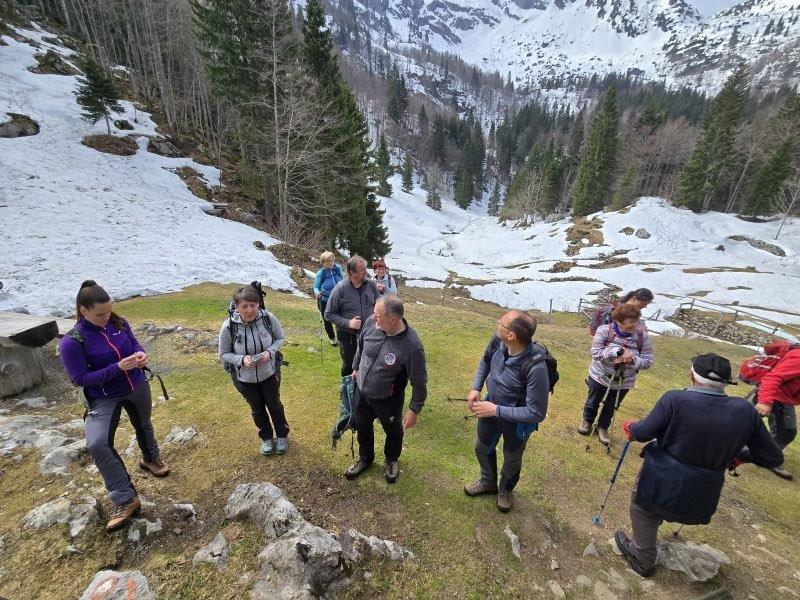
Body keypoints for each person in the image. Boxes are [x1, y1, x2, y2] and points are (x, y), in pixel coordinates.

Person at [615, 353, 783, 577]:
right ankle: (656, 530)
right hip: (703, 493)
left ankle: (643, 556)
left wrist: (631, 426)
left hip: (660, 481)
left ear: (692, 376)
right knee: (660, 506)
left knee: (642, 509)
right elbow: (773, 457)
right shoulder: (744, 410)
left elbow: (642, 433)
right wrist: (739, 456)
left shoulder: (675, 399)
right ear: (725, 383)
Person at [58, 280, 169, 532]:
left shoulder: (118, 323)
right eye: (100, 314)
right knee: (96, 443)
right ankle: (125, 497)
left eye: (109, 311)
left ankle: (151, 459)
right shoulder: (71, 342)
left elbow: (135, 345)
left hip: (137, 386)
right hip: (103, 397)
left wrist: (141, 356)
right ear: (83, 310)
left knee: (144, 424)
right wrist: (117, 368)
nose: (106, 317)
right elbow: (79, 379)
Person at [464, 310, 549, 512]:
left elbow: (536, 413)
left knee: (512, 459)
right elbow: (485, 361)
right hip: (490, 407)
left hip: (517, 422)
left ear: (512, 335)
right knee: (481, 447)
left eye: (501, 322)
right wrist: (476, 387)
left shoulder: (536, 368)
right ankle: (488, 483)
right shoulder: (498, 341)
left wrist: (496, 410)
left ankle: (505, 490)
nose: (497, 323)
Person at [344, 295, 427, 484]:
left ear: (394, 320)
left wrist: (414, 409)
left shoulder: (412, 346)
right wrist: (356, 367)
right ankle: (366, 458)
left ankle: (391, 460)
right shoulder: (372, 323)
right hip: (362, 392)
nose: (374, 318)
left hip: (388, 399)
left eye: (378, 316)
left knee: (393, 431)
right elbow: (361, 345)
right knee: (363, 426)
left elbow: (420, 382)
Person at [219, 285, 289, 456]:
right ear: (237, 307)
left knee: (274, 405)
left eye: (253, 305)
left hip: (269, 373)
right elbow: (224, 354)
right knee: (257, 409)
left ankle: (282, 435)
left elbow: (280, 339)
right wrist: (241, 359)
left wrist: (269, 352)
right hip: (244, 378)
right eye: (244, 306)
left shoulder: (268, 318)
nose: (249, 310)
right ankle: (266, 437)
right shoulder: (229, 326)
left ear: (258, 304)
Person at [579, 303, 653, 444]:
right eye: (630, 325)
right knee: (592, 401)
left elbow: (648, 362)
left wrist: (631, 359)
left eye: (636, 324)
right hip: (599, 375)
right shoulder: (604, 330)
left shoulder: (642, 337)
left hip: (624, 381)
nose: (634, 328)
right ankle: (587, 421)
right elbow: (595, 352)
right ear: (618, 321)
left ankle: (602, 427)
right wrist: (617, 351)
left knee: (612, 405)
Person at [324, 255, 379, 377]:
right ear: (351, 272)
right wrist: (348, 323)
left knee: (368, 363)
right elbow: (328, 314)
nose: (366, 272)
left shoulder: (370, 285)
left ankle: (363, 392)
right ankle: (347, 392)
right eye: (363, 270)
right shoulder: (340, 289)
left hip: (369, 333)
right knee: (350, 365)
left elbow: (379, 303)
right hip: (348, 336)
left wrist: (378, 313)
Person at [752, 341, 800, 480]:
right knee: (786, 432)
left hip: (780, 397)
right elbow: (773, 377)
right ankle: (766, 457)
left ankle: (764, 456)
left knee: (741, 419)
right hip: (773, 396)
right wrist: (765, 401)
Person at [588, 288, 654, 335]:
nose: (645, 307)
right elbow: (617, 330)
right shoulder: (619, 311)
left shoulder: (630, 311)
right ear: (634, 299)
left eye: (646, 305)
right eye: (642, 304)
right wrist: (638, 330)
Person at [312, 251, 343, 346]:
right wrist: (317, 293)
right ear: (323, 262)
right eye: (327, 261)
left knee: (340, 318)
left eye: (332, 260)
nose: (330, 262)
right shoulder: (321, 273)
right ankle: (332, 338)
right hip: (325, 300)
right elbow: (316, 287)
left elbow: (342, 280)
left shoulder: (337, 269)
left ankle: (341, 338)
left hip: (338, 299)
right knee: (327, 320)